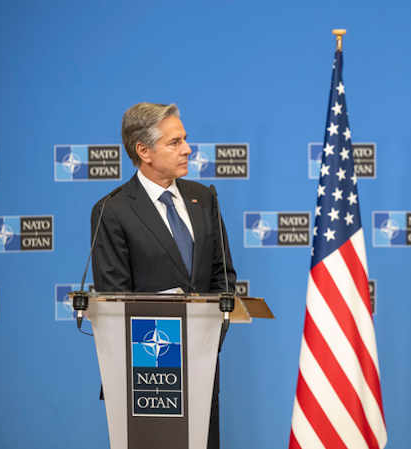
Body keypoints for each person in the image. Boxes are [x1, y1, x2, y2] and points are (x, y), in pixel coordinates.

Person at [91, 102, 236, 449]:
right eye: (174, 142)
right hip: (146, 379)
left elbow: (223, 278)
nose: (187, 148)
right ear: (144, 151)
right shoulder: (113, 210)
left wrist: (205, 345)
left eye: (184, 139)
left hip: (202, 369)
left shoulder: (205, 198)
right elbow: (114, 298)